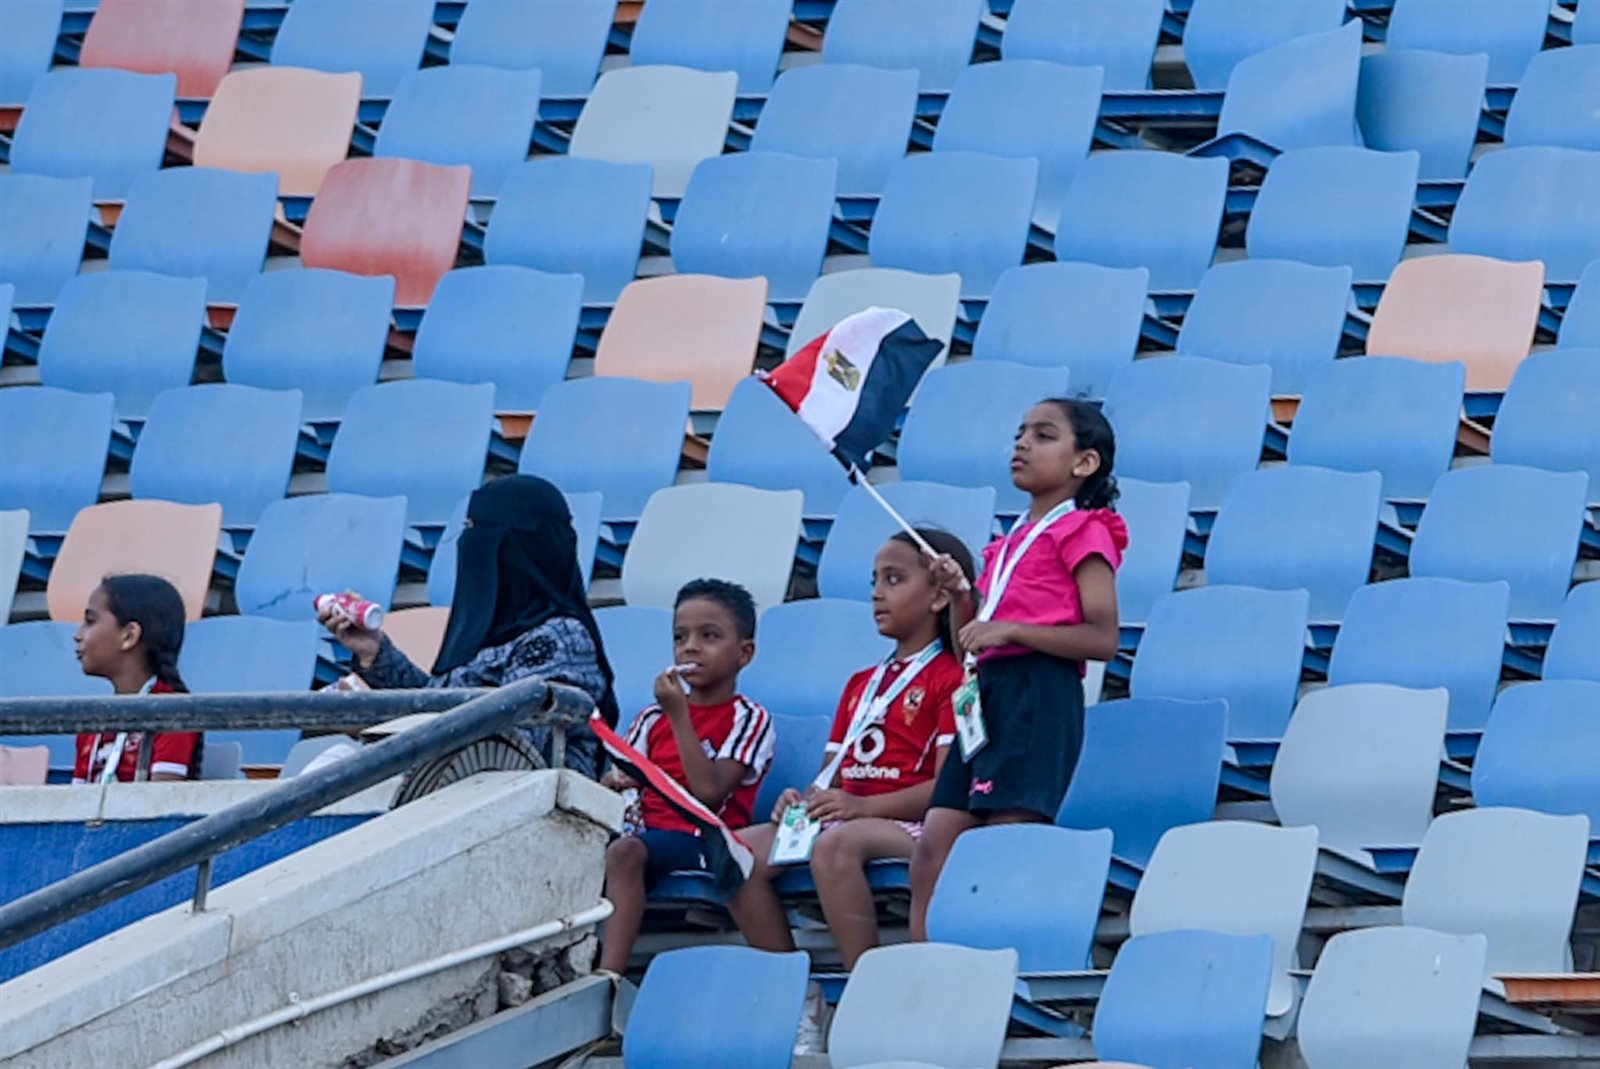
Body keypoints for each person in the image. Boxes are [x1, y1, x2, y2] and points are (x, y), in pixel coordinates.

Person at [909, 398, 1126, 940]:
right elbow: (969, 645)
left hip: (1039, 694)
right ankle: (919, 966)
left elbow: (1103, 639)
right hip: (987, 693)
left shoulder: (1084, 530)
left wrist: (1012, 631)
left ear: (1085, 463)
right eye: (1020, 433)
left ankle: (989, 965)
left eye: (1044, 436)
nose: (1023, 444)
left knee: (1002, 848)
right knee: (934, 844)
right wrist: (962, 597)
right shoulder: (1007, 543)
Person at [727, 528, 974, 973]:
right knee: (733, 853)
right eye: (874, 580)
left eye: (894, 579)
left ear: (939, 596)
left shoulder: (951, 677)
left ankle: (866, 982)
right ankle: (795, 987)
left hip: (914, 824)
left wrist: (862, 807)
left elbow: (947, 789)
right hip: (853, 815)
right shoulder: (861, 683)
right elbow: (832, 779)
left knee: (834, 845)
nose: (877, 593)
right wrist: (802, 802)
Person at [321, 475, 619, 778]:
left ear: (513, 548)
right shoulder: (488, 633)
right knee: (334, 761)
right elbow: (439, 707)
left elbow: (511, 750)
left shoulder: (559, 638)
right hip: (452, 792)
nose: (466, 543)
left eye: (473, 529)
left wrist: (381, 729)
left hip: (519, 802)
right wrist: (375, 653)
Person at [598, 578, 774, 974]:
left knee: (624, 853)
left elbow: (709, 792)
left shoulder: (749, 719)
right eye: (680, 637)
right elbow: (622, 779)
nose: (690, 647)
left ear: (744, 653)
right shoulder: (651, 718)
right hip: (647, 835)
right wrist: (615, 783)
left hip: (706, 840)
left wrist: (680, 715)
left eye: (709, 636)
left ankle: (607, 977)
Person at [72, 574, 200, 783]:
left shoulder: (173, 715)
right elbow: (76, 798)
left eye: (90, 621)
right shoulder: (92, 723)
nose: (77, 635)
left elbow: (160, 801)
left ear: (129, 636)